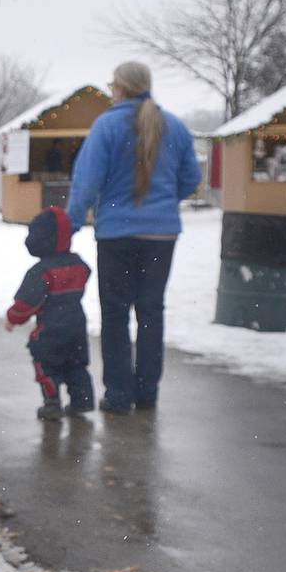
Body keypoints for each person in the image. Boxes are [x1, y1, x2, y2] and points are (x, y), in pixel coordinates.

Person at [65, 60, 200, 413]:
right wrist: (162, 204)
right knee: (151, 312)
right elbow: (189, 180)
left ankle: (119, 394)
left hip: (117, 237)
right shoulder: (174, 126)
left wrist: (71, 224)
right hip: (161, 236)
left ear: (120, 88)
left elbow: (87, 182)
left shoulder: (106, 126)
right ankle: (147, 392)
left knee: (115, 313)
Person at [5, 206, 94, 420]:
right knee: (77, 365)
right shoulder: (78, 265)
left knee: (46, 366)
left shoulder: (40, 272)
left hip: (50, 330)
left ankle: (52, 404)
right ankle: (82, 401)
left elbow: (26, 303)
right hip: (76, 327)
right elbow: (86, 273)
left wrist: (12, 318)